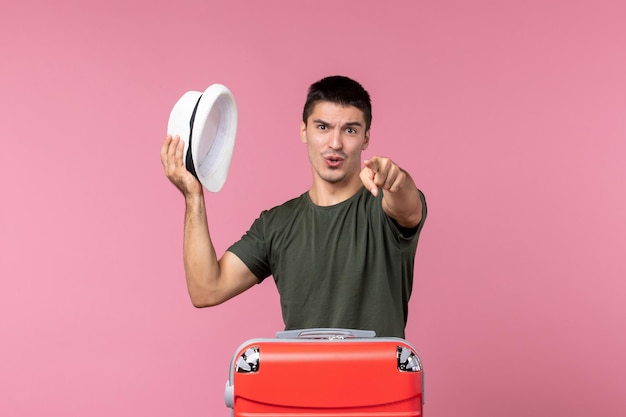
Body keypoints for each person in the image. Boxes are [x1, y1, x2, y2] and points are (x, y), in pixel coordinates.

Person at [161, 75, 426, 338]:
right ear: (304, 130)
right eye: (323, 127)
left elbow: (407, 204)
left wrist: (395, 178)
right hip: (302, 380)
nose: (335, 143)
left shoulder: (384, 209)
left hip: (382, 380)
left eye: (350, 130)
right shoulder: (276, 225)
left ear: (366, 138)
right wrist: (193, 196)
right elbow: (206, 289)